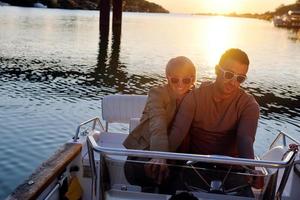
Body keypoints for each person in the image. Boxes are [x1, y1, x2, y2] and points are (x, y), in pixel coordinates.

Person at [167, 48, 260, 196]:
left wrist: (250, 167)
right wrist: (160, 157)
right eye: (229, 75)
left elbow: (245, 139)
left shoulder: (249, 105)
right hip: (195, 167)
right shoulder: (195, 97)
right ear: (217, 70)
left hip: (232, 171)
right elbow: (178, 131)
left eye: (240, 78)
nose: (233, 82)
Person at [123, 56, 196, 191]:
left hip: (178, 158)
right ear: (167, 78)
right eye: (175, 80)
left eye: (186, 80)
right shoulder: (157, 94)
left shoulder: (195, 97)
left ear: (193, 79)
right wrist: (160, 156)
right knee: (156, 170)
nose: (180, 84)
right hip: (146, 152)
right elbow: (158, 125)